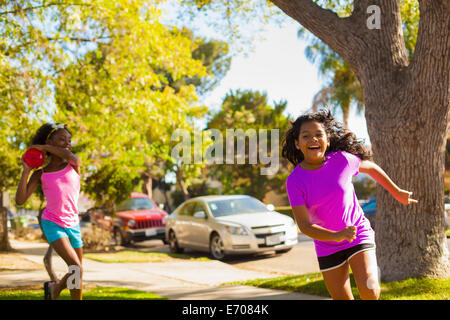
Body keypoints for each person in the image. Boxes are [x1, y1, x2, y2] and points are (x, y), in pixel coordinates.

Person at [282, 110, 417, 300]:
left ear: (327, 140)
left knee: (370, 290)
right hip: (327, 244)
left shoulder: (342, 160)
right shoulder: (295, 181)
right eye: (306, 136)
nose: (313, 139)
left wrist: (397, 192)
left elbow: (371, 168)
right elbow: (304, 226)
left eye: (319, 134)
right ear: (297, 143)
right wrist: (336, 236)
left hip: (358, 234)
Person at [15, 123, 83, 300]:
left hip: (73, 223)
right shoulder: (41, 174)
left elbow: (69, 155)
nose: (67, 143)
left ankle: (56, 289)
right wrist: (26, 171)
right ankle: (57, 290)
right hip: (53, 223)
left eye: (69, 140)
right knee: (76, 266)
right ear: (50, 140)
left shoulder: (73, 164)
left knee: (76, 271)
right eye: (62, 139)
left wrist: (44, 148)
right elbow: (20, 200)